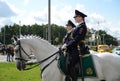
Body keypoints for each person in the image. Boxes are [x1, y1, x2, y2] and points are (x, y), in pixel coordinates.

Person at [62, 10, 90, 81]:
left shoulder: (82, 26)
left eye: (76, 17)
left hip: (78, 48)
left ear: (80, 17)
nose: (75, 19)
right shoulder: (79, 26)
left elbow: (77, 39)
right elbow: (72, 38)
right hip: (74, 48)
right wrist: (66, 44)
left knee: (71, 63)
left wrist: (67, 46)